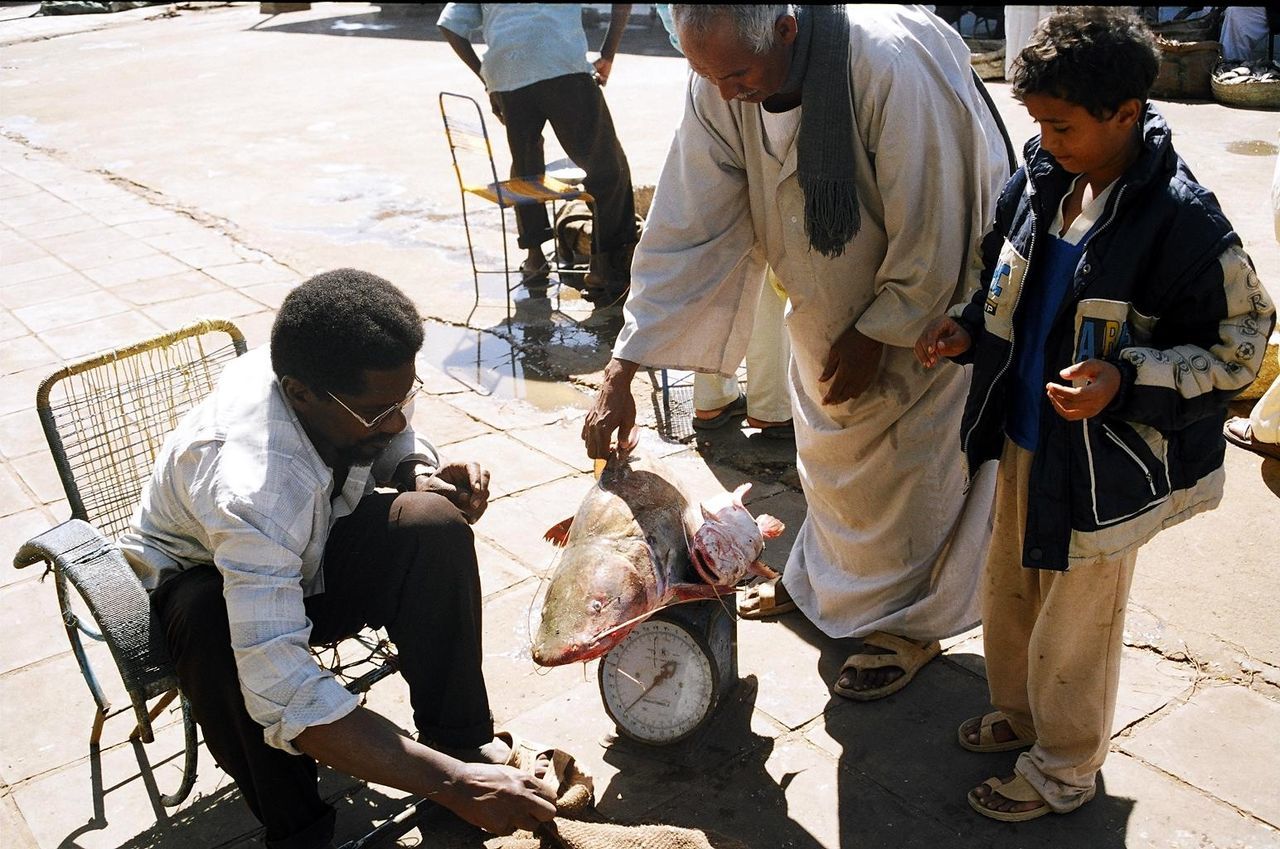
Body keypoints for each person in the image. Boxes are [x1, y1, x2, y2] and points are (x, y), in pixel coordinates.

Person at [582, 5, 1010, 701]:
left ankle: (912, 623)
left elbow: (944, 215)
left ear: (786, 30)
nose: (724, 92)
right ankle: (823, 588)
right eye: (706, 74)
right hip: (819, 302)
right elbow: (686, 220)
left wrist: (882, 328)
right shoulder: (722, 75)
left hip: (921, 317)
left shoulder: (887, 65)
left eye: (738, 75)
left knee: (916, 483)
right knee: (832, 471)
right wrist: (625, 362)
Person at [914, 8, 1275, 821]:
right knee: (1010, 591)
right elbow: (999, 275)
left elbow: (1242, 345)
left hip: (1109, 465)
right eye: (1036, 121)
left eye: (1062, 124)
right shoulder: (1041, 177)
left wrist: (1127, 376)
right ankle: (1022, 716)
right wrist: (968, 329)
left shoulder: (1185, 222)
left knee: (1078, 624)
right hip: (1024, 436)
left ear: (1126, 114)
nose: (1044, 138)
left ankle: (1064, 768)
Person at [118, 270, 573, 849]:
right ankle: (302, 829)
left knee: (430, 524)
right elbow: (280, 687)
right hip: (207, 588)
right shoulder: (253, 486)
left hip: (307, 554)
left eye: (403, 399)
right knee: (213, 621)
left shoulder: (321, 372)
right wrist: (450, 786)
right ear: (299, 393)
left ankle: (463, 742)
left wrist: (416, 471)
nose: (399, 421)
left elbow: (388, 431)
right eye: (377, 412)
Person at [438, 4, 638, 305]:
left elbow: (450, 25)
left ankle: (535, 260)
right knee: (609, 170)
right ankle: (601, 267)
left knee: (526, 169)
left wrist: (489, 79)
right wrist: (608, 53)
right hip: (560, 64)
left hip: (507, 72)